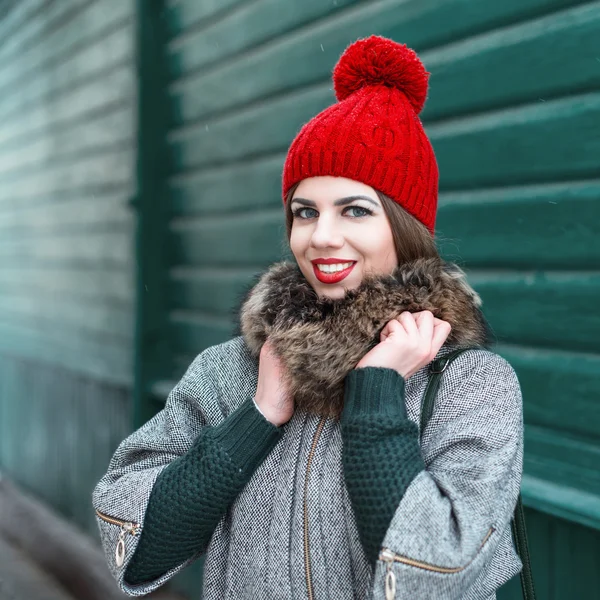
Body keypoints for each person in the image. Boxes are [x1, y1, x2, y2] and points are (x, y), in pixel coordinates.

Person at [93, 36, 523, 599]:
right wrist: (258, 418)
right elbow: (140, 542)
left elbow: (435, 572)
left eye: (355, 210)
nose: (322, 235)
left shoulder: (470, 385)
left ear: (404, 225)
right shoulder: (230, 372)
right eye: (305, 211)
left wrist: (376, 392)